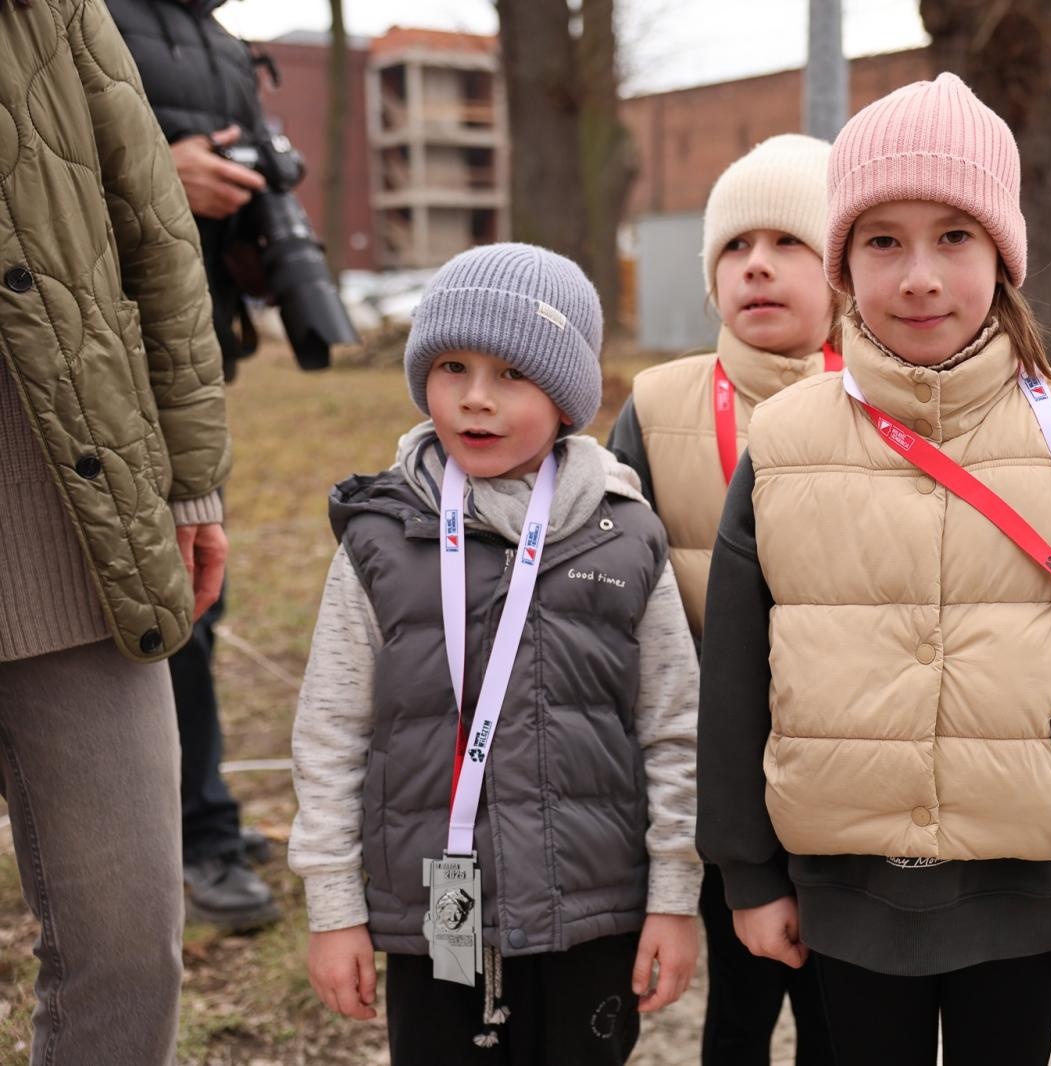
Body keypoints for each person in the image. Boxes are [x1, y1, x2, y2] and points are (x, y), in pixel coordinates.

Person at [697, 74, 1051, 1066]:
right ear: (844, 261)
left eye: (953, 237)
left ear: (1002, 255)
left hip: (1026, 894)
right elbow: (737, 679)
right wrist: (747, 870)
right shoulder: (785, 442)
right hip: (845, 899)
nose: (918, 274)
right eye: (882, 240)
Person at [288, 244, 702, 1063]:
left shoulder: (628, 537)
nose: (476, 399)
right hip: (432, 920)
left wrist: (674, 898)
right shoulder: (381, 540)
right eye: (451, 366)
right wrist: (335, 907)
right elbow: (330, 730)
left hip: (593, 915)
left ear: (568, 396)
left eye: (513, 374)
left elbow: (673, 730)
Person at [0, 0, 232, 1061]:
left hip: (71, 543)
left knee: (128, 950)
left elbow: (156, 233)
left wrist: (187, 488)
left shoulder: (54, 12)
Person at [607, 133, 837, 1066]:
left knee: (841, 1014)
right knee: (737, 1014)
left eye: (790, 244)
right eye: (736, 250)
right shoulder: (657, 407)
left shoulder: (889, 401)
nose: (758, 266)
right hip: (720, 780)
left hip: (842, 777)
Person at [105, 0, 281, 928]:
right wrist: (156, 177)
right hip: (93, 357)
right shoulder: (77, 16)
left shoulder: (222, 40)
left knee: (199, 590)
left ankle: (195, 811)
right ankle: (185, 832)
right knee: (159, 593)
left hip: (194, 352)